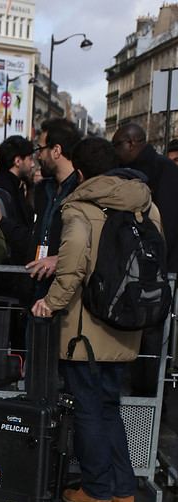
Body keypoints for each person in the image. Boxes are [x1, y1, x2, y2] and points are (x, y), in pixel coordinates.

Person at [31, 137, 162, 502]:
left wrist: (49, 303)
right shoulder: (144, 203)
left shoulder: (81, 206)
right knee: (109, 407)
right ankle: (123, 491)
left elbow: (72, 265)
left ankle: (97, 490)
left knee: (88, 408)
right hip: (126, 322)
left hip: (85, 328)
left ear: (81, 170)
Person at [112, 122, 178, 395]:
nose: (114, 152)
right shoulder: (150, 170)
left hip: (155, 273)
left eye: (117, 145)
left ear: (131, 142)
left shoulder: (164, 172)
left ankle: (148, 404)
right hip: (145, 271)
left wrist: (152, 264)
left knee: (151, 343)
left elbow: (168, 227)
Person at [26, 118, 82, 295]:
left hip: (67, 293)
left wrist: (60, 261)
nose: (38, 156)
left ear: (56, 151)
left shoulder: (82, 190)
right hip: (37, 287)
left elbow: (93, 245)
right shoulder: (43, 189)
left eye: (41, 149)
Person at [0, 134, 35, 265]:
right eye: (30, 159)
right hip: (8, 271)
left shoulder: (17, 187)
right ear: (18, 161)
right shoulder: (1, 192)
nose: (33, 164)